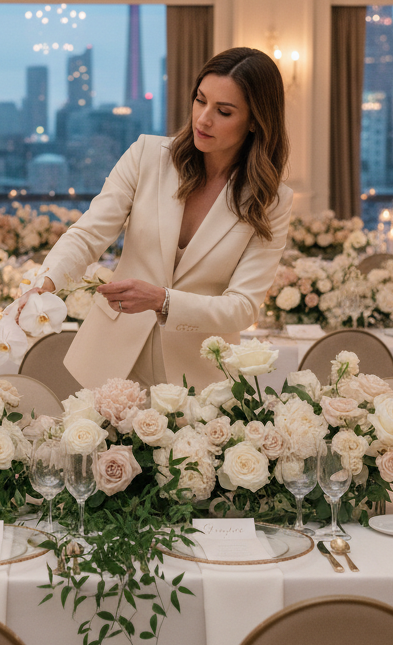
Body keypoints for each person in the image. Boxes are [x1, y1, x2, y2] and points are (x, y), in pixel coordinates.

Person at [20, 46, 292, 390]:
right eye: (200, 100)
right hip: (107, 360)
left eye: (223, 111)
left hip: (200, 379)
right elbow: (88, 234)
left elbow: (242, 308)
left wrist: (163, 301)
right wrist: (44, 283)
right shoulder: (146, 156)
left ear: (255, 121)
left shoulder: (271, 200)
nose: (203, 118)